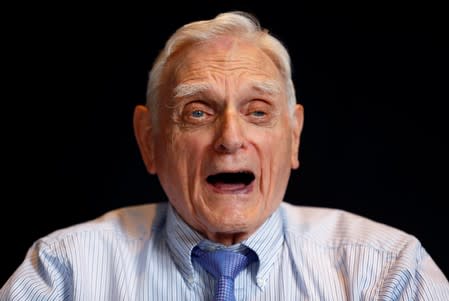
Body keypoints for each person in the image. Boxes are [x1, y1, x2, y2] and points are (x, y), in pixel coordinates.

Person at [1, 11, 448, 301]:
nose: (230, 138)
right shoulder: (64, 274)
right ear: (149, 140)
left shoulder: (389, 272)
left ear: (293, 137)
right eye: (197, 112)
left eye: (258, 112)